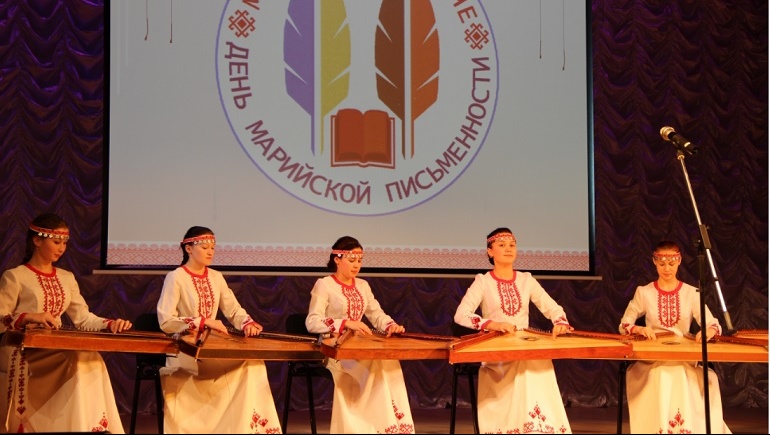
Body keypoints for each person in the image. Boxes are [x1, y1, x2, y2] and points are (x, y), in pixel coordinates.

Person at [0, 213, 132, 433]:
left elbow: (83, 318)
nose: (61, 248)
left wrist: (110, 324)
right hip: (22, 349)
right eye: (56, 242)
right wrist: (30, 316)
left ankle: (89, 426)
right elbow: (1, 315)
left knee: (92, 357)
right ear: (37, 240)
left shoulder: (66, 277)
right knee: (77, 358)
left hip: (53, 346)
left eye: (64, 243)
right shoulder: (15, 276)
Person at [156, 226, 282, 433]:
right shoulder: (176, 277)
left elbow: (233, 309)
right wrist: (203, 322)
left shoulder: (215, 276)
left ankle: (249, 428)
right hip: (186, 350)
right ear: (188, 248)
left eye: (213, 248)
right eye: (204, 247)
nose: (210, 252)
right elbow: (166, 320)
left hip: (212, 347)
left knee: (254, 364)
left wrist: (247, 323)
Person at [454, 227, 573, 433]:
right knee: (524, 363)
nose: (508, 249)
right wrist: (492, 324)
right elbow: (461, 314)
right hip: (496, 349)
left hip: (523, 345)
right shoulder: (483, 281)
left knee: (539, 359)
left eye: (512, 245)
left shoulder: (526, 280)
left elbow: (552, 307)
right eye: (501, 245)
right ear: (490, 251)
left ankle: (541, 427)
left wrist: (560, 322)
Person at [305, 236, 415, 434]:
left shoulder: (362, 285)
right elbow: (312, 321)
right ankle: (373, 427)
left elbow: (376, 314)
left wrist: (390, 325)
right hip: (334, 349)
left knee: (390, 362)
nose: (356, 265)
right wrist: (345, 323)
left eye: (359, 261)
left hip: (359, 346)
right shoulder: (324, 285)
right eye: (351, 260)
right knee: (373, 366)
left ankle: (397, 427)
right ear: (337, 259)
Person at [619, 240, 731, 433]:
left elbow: (712, 323)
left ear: (679, 261)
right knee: (662, 374)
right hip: (654, 359)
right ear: (654, 262)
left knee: (693, 376)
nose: (667, 269)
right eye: (662, 263)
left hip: (683, 358)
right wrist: (639, 329)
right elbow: (624, 323)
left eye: (671, 263)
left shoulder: (691, 293)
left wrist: (708, 331)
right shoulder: (644, 292)